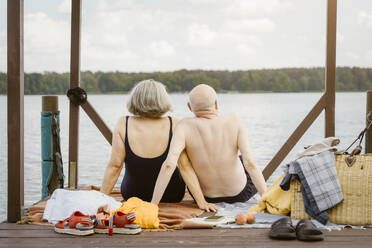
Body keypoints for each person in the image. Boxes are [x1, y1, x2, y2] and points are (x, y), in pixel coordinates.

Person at [151, 84, 267, 210]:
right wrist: (267, 200)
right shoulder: (234, 120)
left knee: (187, 160)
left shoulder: (183, 126)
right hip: (240, 194)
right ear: (216, 103)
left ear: (189, 107)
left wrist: (153, 204)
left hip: (207, 198)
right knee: (242, 159)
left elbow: (169, 165)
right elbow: (251, 163)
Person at [100, 79, 185, 203]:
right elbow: (185, 166)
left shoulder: (123, 123)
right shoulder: (175, 124)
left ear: (135, 99)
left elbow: (115, 166)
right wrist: (200, 201)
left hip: (133, 194)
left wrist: (100, 199)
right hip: (172, 193)